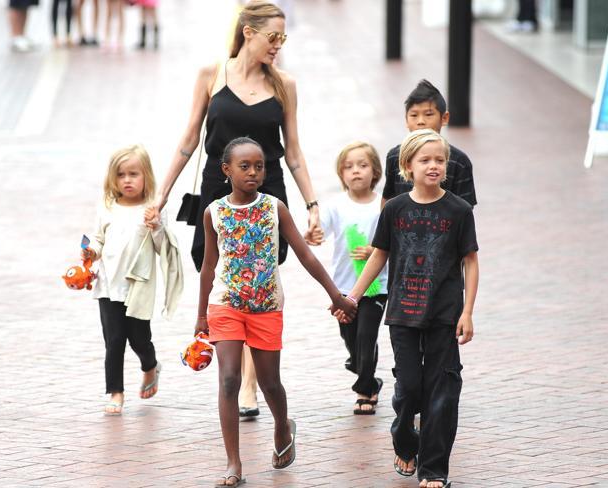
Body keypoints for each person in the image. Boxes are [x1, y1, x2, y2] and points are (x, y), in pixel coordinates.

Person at [147, 0, 322, 419]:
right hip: (217, 190)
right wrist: (162, 194)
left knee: (259, 279)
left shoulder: (285, 84)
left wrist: (312, 205)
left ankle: (247, 382)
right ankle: (233, 367)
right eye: (272, 36)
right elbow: (189, 140)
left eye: (283, 37)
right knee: (223, 276)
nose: (278, 45)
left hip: (267, 195)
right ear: (248, 32)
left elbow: (293, 152)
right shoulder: (212, 75)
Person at [196, 137, 356, 487]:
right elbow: (209, 266)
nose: (253, 172)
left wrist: (337, 295)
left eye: (259, 166)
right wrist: (201, 316)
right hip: (226, 305)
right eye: (244, 166)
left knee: (270, 383)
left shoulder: (274, 208)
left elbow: (306, 255)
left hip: (266, 307)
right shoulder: (214, 212)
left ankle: (283, 426)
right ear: (226, 170)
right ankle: (233, 462)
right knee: (228, 380)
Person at [336, 129, 479, 488]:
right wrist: (352, 298)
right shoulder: (395, 209)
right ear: (407, 167)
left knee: (442, 391)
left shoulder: (459, 210)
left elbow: (471, 262)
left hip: (445, 314)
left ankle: (434, 469)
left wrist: (468, 312)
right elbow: (379, 255)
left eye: (439, 160)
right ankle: (404, 440)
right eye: (425, 160)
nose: (434, 166)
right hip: (402, 313)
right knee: (408, 389)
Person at [82, 144, 183, 415]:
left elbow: (163, 247)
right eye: (121, 175)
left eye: (134, 174)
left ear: (146, 176)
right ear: (112, 179)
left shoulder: (152, 208)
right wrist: (91, 251)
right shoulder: (107, 207)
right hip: (108, 286)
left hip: (138, 287)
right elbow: (98, 239)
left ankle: (150, 366)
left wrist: (157, 226)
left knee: (139, 339)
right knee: (114, 341)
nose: (127, 180)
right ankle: (116, 392)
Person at [305, 142, 388, 415]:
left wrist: (374, 250)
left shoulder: (383, 205)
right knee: (351, 340)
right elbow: (320, 233)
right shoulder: (336, 206)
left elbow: (393, 241)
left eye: (363, 166)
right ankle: (367, 374)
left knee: (366, 336)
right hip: (343, 287)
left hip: (376, 286)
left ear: (374, 171)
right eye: (349, 167)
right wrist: (312, 234)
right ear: (341, 173)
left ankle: (365, 391)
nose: (356, 172)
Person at [382, 79, 477, 208]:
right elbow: (388, 199)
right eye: (414, 115)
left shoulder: (459, 161)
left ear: (444, 118)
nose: (421, 121)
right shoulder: (395, 156)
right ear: (406, 119)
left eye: (428, 114)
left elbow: (465, 211)